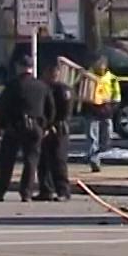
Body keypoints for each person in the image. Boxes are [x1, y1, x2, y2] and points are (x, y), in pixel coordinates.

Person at [0, 58, 53, 203]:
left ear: (19, 67)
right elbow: (50, 108)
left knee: (6, 161)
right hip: (36, 127)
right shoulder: (42, 86)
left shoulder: (12, 86)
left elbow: (2, 108)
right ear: (31, 68)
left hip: (15, 126)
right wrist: (45, 125)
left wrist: (2, 125)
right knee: (31, 160)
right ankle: (27, 193)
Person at [35, 63, 74, 202]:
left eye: (54, 72)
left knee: (58, 160)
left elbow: (66, 110)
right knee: (43, 161)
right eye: (49, 72)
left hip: (59, 129)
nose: (51, 75)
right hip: (44, 128)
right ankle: (45, 190)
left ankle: (63, 191)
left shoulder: (62, 89)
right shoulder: (43, 88)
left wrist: (55, 124)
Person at [79, 55, 119, 173]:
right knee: (92, 137)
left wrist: (113, 106)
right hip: (91, 110)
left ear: (105, 66)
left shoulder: (112, 78)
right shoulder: (87, 76)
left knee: (106, 136)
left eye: (101, 65)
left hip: (106, 111)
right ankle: (94, 160)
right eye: (97, 65)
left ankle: (100, 152)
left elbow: (116, 95)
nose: (99, 67)